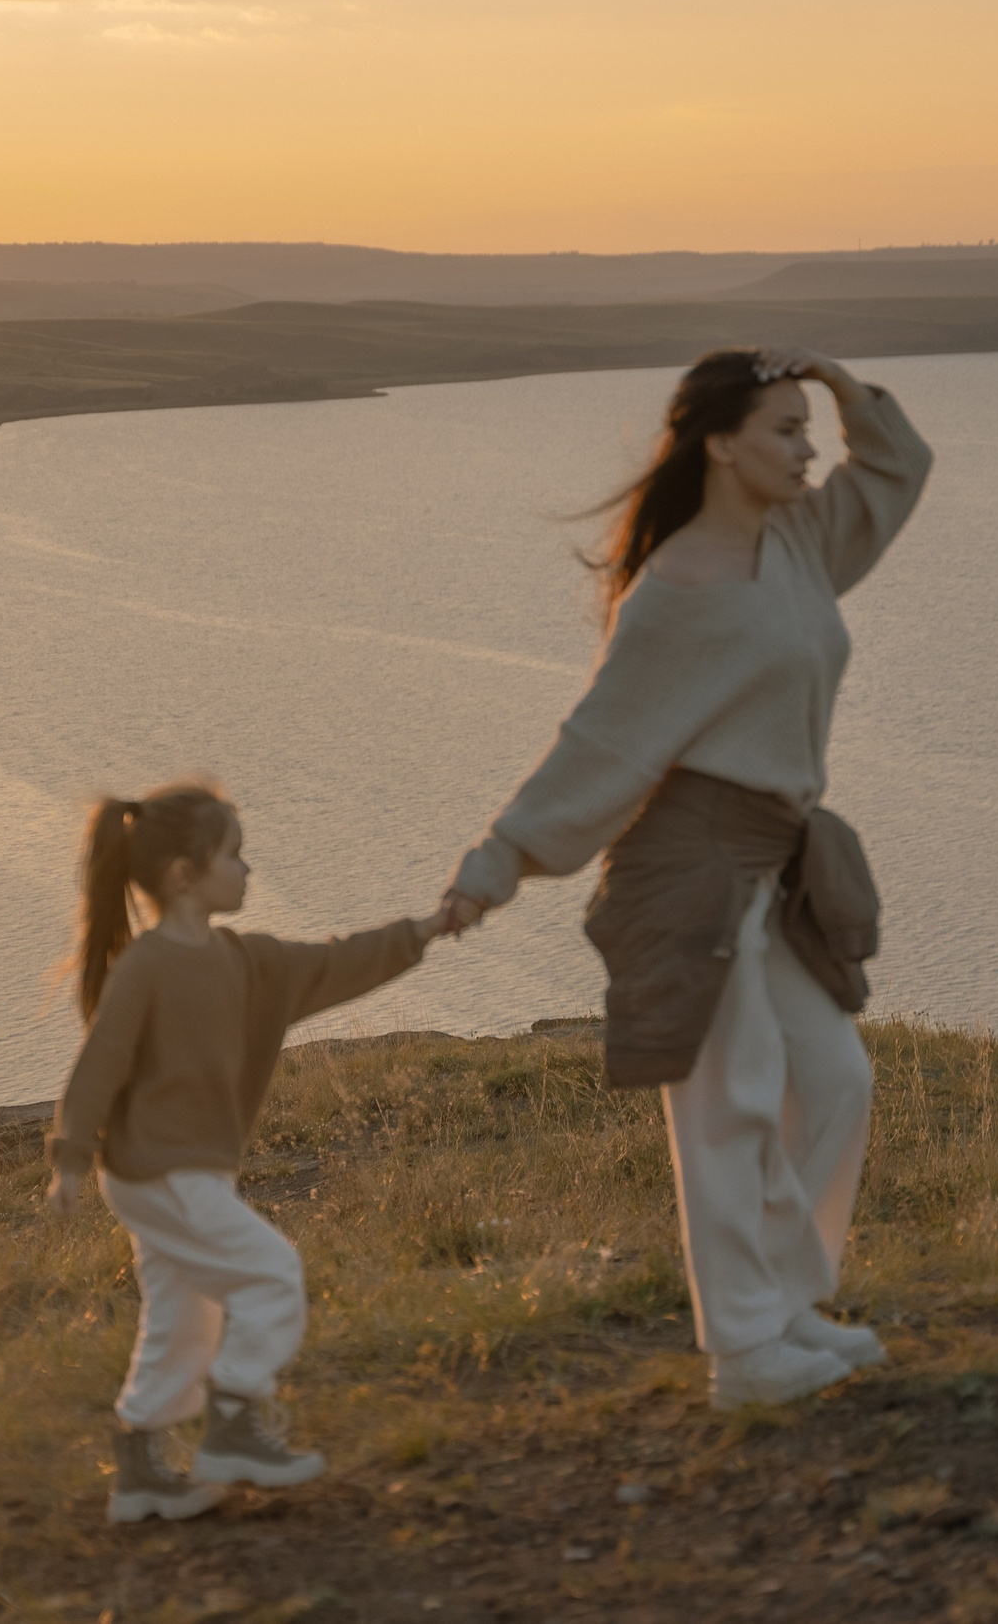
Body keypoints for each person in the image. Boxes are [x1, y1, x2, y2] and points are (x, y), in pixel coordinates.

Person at [439, 346, 932, 1410]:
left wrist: (840, 384)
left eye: (808, 430)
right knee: (730, 1105)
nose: (808, 451)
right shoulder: (673, 590)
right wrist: (496, 863)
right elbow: (601, 745)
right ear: (720, 445)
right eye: (786, 431)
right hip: (691, 864)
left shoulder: (800, 541)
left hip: (772, 860)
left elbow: (897, 470)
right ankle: (745, 1355)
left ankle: (786, 1305)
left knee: (834, 1080)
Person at [46, 782, 453, 1524]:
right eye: (234, 855)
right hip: (158, 1171)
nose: (248, 869)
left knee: (184, 1315)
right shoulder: (146, 967)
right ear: (184, 876)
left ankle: (141, 1470)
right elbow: (98, 1064)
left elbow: (338, 961)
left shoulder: (248, 962)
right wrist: (70, 1159)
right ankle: (234, 1419)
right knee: (272, 1274)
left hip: (184, 1172)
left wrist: (425, 928)